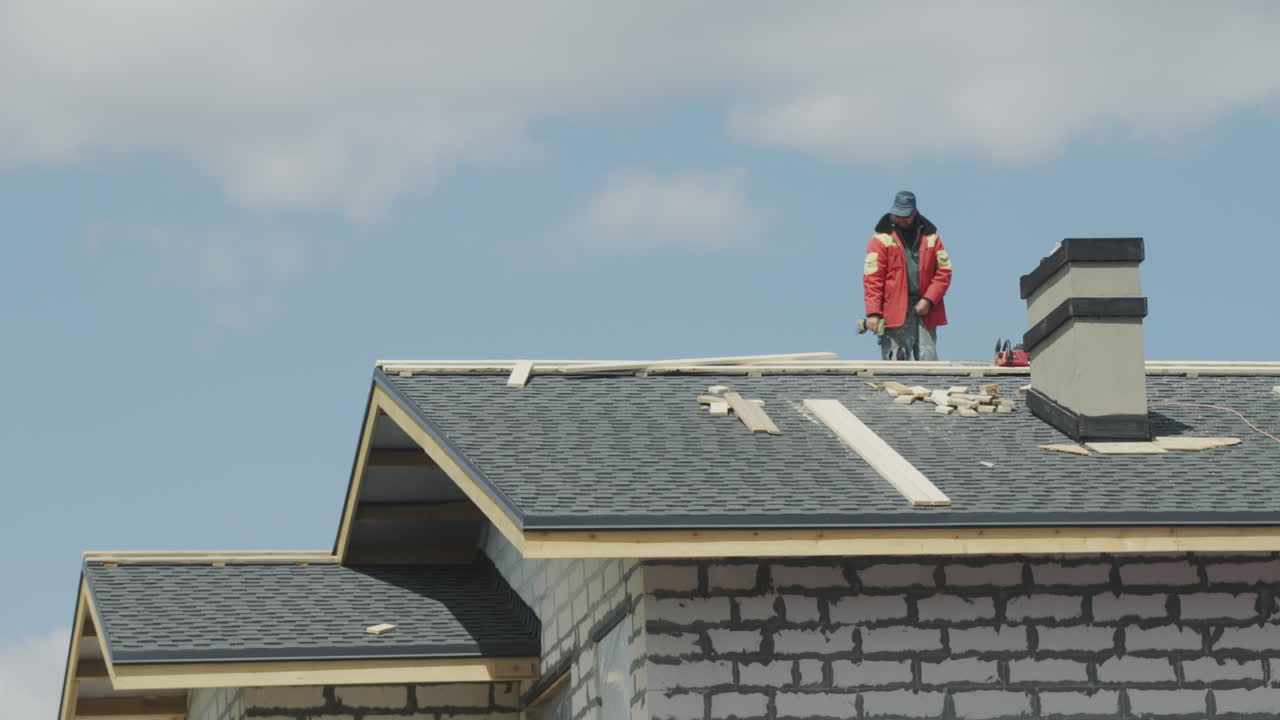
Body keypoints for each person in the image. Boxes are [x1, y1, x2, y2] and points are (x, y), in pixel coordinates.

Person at [863, 191, 952, 360]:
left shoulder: (931, 238)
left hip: (925, 309)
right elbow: (872, 280)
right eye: (898, 215)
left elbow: (944, 272)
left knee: (929, 361)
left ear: (914, 212)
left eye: (906, 216)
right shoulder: (881, 239)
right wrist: (873, 313)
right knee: (896, 363)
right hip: (894, 310)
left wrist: (929, 300)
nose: (901, 219)